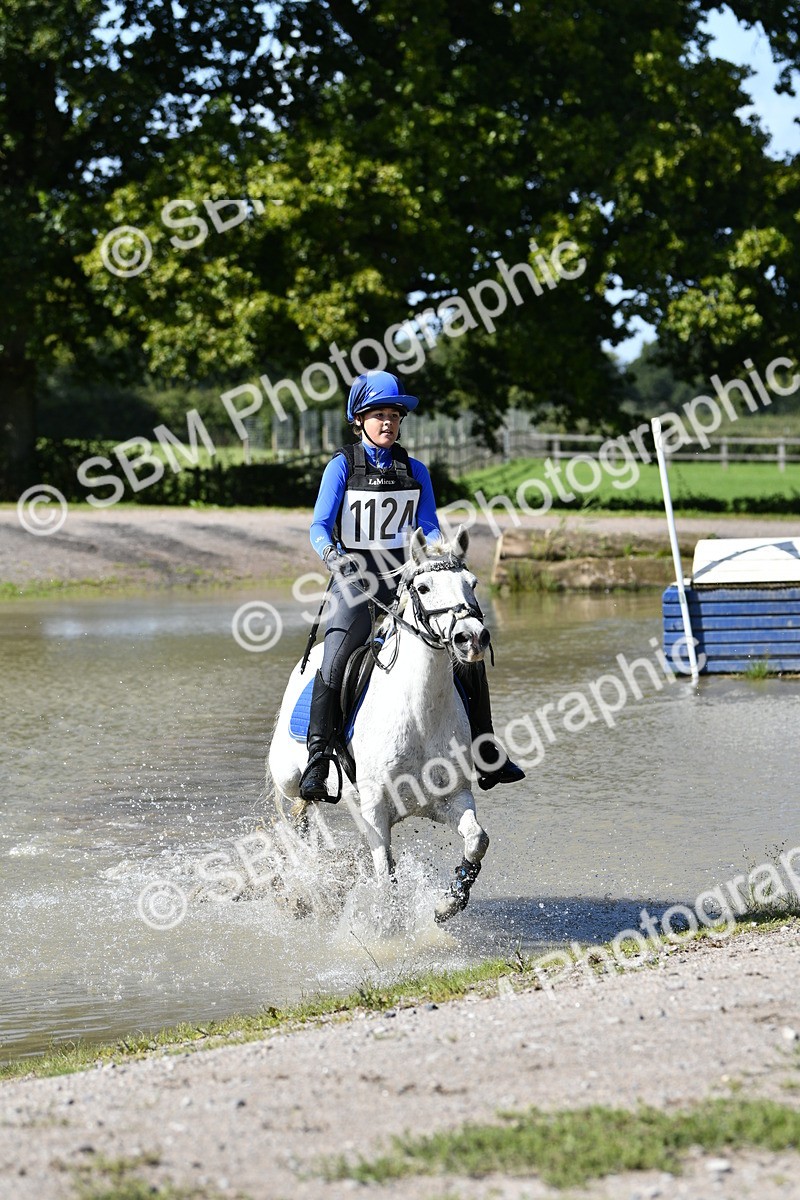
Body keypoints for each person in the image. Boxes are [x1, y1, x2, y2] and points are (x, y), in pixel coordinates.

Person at [299, 369, 525, 802]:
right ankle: (318, 759)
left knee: (467, 648)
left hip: (407, 585)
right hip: (356, 583)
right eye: (379, 415)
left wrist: (440, 565)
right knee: (335, 659)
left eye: (394, 416)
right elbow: (319, 526)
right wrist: (332, 557)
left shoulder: (415, 470)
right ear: (359, 420)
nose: (388, 423)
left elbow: (428, 529)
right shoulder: (342, 465)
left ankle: (486, 748)